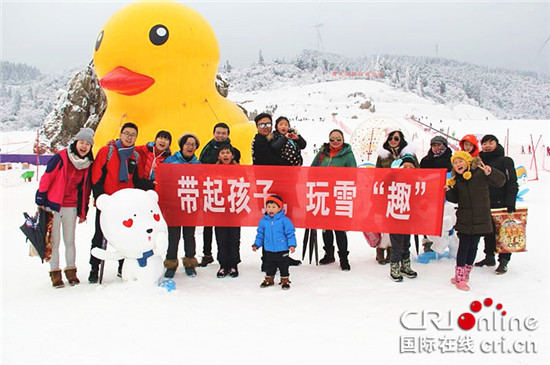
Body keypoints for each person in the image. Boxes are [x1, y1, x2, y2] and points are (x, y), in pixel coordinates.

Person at [35, 128, 94, 288]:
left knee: (70, 240)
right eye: (82, 142)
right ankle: (55, 273)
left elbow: (85, 189)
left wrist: (83, 211)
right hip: (53, 205)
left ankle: (71, 272)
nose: (84, 146)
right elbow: (47, 177)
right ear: (76, 142)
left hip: (71, 206)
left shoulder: (88, 164)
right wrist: (40, 196)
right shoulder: (61, 158)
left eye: (88, 144)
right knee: (54, 241)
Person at [89, 122, 144, 283]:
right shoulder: (107, 151)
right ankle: (94, 268)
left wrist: (152, 185)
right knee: (99, 236)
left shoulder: (135, 156)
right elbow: (96, 176)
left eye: (133, 135)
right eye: (127, 133)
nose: (129, 137)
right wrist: (100, 198)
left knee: (125, 238)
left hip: (126, 204)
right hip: (107, 202)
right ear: (120, 134)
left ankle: (123, 267)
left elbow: (137, 180)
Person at [445, 151, 505, 290]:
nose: (458, 164)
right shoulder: (457, 180)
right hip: (465, 219)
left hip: (481, 218)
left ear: (468, 162)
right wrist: (448, 190)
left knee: (473, 246)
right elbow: (454, 198)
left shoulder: (480, 173)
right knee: (464, 246)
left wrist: (491, 172)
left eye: (460, 161)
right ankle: (459, 277)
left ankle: (465, 275)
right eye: (455, 163)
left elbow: (500, 181)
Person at [251, 112, 302, 267]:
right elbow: (270, 159)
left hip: (279, 183)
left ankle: (282, 256)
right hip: (268, 186)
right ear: (257, 127)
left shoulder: (272, 138)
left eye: (268, 124)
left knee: (282, 222)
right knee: (270, 223)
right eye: (262, 125)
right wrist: (291, 165)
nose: (265, 127)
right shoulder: (259, 141)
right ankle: (267, 259)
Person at [311, 129, 357, 271]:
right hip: (324, 194)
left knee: (339, 228)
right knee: (326, 228)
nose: (335, 142)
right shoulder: (322, 153)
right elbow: (312, 169)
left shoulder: (348, 155)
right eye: (332, 139)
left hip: (340, 195)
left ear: (343, 140)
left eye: (338, 139)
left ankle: (344, 257)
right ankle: (329, 253)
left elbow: (354, 175)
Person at [198, 122, 241, 267]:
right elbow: (200, 167)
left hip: (229, 196)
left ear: (228, 134)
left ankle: (230, 258)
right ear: (214, 133)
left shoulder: (233, 150)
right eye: (218, 132)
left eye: (223, 133)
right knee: (208, 225)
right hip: (211, 191)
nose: (220, 135)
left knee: (227, 230)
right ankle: (207, 253)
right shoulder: (207, 148)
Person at [475, 134, 519, 274]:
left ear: (496, 143)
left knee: (504, 232)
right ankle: (489, 257)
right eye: (484, 143)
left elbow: (512, 182)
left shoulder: (505, 161)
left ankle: (504, 261)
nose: (487, 146)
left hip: (502, 202)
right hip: (485, 201)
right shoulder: (478, 161)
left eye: (490, 142)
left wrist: (510, 202)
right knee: (488, 231)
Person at [375, 127, 417, 264]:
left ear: (401, 140)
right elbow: (377, 174)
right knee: (385, 223)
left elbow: (419, 172)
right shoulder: (383, 155)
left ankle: (394, 251)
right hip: (387, 193)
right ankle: (381, 248)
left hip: (405, 194)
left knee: (400, 224)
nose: (393, 141)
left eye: (396, 138)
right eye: (390, 138)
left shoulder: (409, 154)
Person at [162, 133, 201, 278]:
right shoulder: (170, 161)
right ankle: (171, 263)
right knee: (174, 235)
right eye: (188, 144)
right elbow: (160, 178)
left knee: (189, 235)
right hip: (174, 205)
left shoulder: (198, 164)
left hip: (191, 205)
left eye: (193, 144)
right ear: (182, 145)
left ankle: (190, 262)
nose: (190, 147)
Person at [252, 195, 297, 290]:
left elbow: (290, 233)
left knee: (283, 265)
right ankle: (269, 278)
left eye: (273, 207)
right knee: (270, 265)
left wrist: (292, 244)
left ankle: (284, 279)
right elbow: (260, 234)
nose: (270, 209)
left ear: (279, 208)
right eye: (268, 207)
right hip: (269, 249)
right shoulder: (263, 221)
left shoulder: (285, 221)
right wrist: (257, 244)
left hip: (282, 248)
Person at [419, 135, 452, 252]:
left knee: (447, 219)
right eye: (434, 145)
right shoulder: (426, 160)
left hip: (447, 196)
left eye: (438, 145)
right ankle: (428, 243)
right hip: (429, 195)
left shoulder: (452, 160)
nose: (436, 147)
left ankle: (449, 244)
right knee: (427, 219)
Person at [389, 154, 419, 282]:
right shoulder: (394, 179)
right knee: (397, 244)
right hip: (395, 217)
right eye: (404, 166)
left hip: (409, 217)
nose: (407, 169)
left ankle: (405, 266)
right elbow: (384, 185)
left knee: (406, 242)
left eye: (410, 167)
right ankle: (394, 266)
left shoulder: (417, 181)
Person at [214, 145, 241, 278]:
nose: (225, 155)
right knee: (221, 238)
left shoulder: (239, 169)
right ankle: (223, 264)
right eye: (222, 153)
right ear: (219, 156)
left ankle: (233, 264)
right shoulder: (213, 170)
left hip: (235, 210)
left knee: (234, 238)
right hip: (219, 210)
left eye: (228, 153)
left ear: (232, 156)